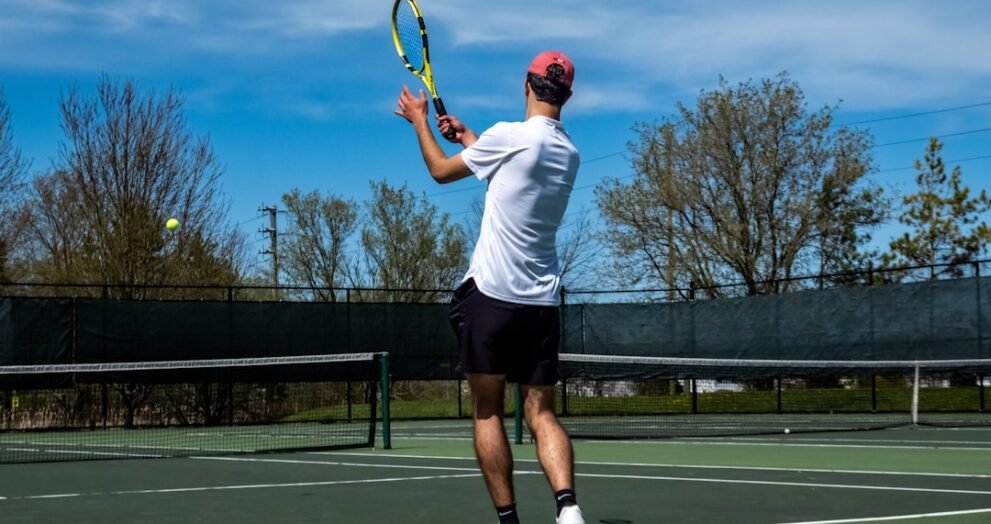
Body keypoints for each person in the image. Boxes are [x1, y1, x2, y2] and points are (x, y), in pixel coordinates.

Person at [394, 51, 584, 524]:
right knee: (542, 415)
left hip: (492, 299)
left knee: (487, 413)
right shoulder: (569, 154)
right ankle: (568, 508)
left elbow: (440, 171)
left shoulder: (508, 136)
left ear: (526, 84)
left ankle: (509, 520)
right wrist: (471, 139)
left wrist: (419, 121)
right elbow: (511, 181)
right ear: (567, 95)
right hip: (541, 304)